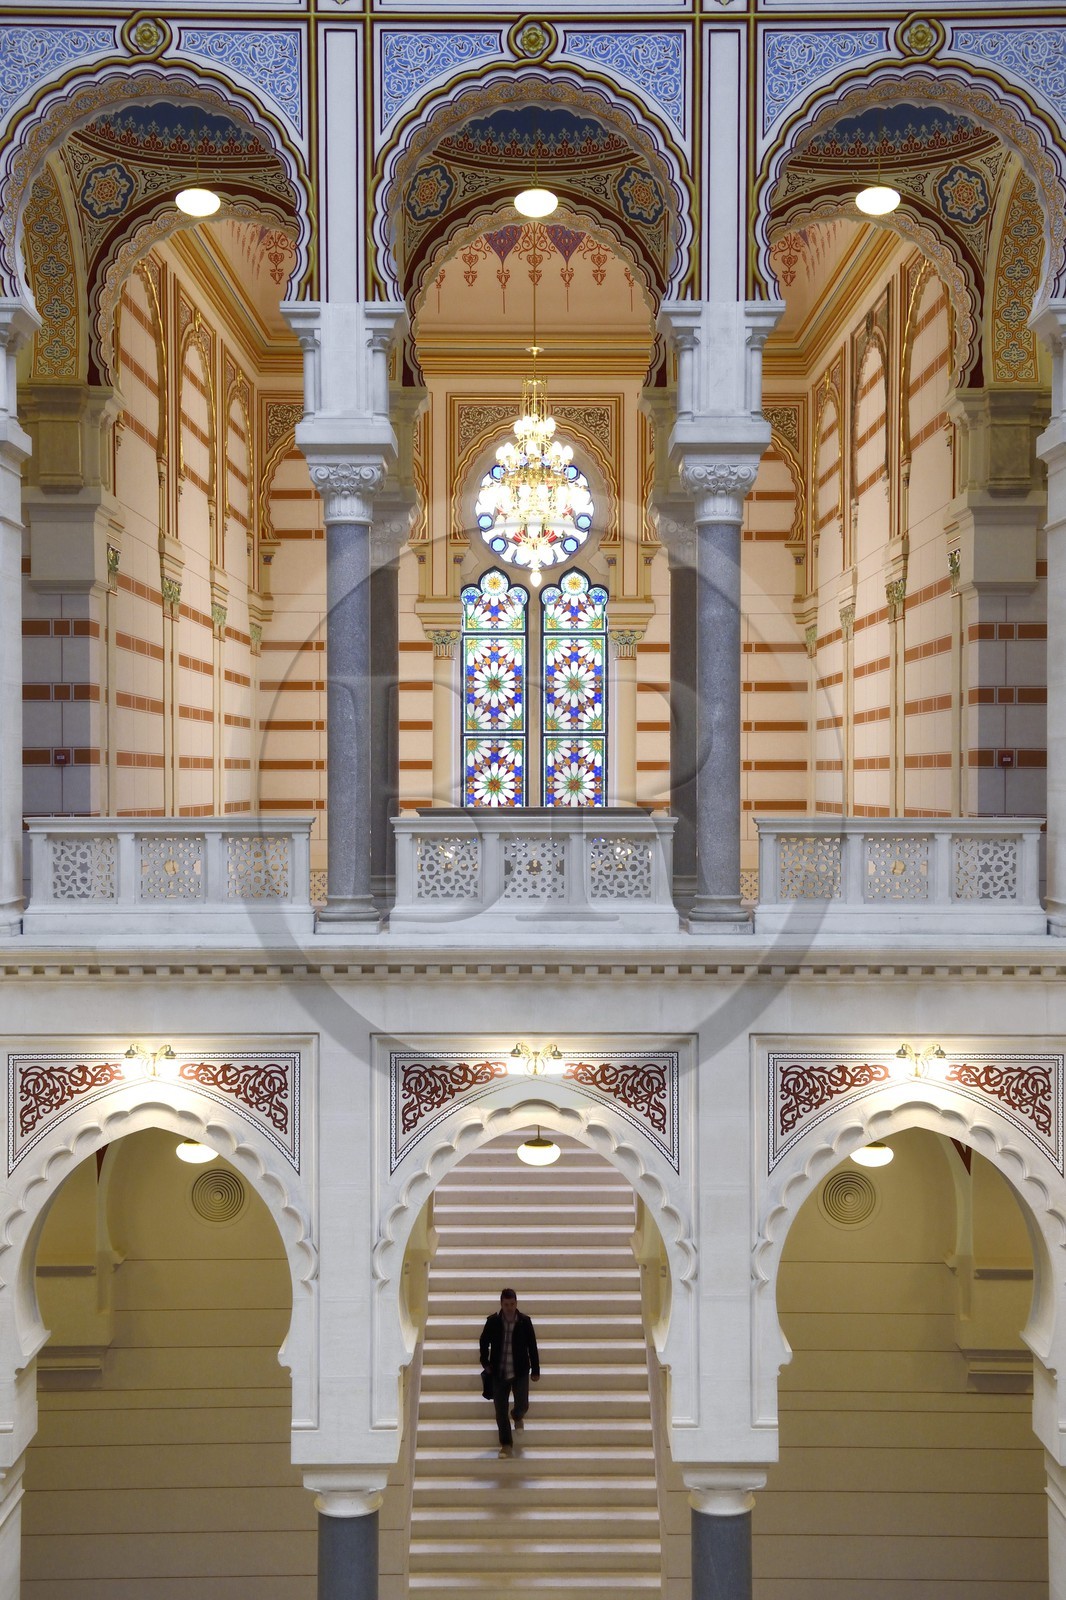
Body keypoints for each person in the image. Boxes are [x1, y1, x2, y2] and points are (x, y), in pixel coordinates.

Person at [479, 1288, 540, 1458]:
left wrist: (535, 1369)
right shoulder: (493, 1322)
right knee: (500, 1410)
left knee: (523, 1404)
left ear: (516, 1303)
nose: (509, 1307)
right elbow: (483, 1342)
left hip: (519, 1371)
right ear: (501, 1304)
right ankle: (506, 1444)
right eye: (506, 1304)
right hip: (499, 1372)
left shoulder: (524, 1322)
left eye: (512, 1304)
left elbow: (532, 1346)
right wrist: (485, 1362)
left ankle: (517, 1415)